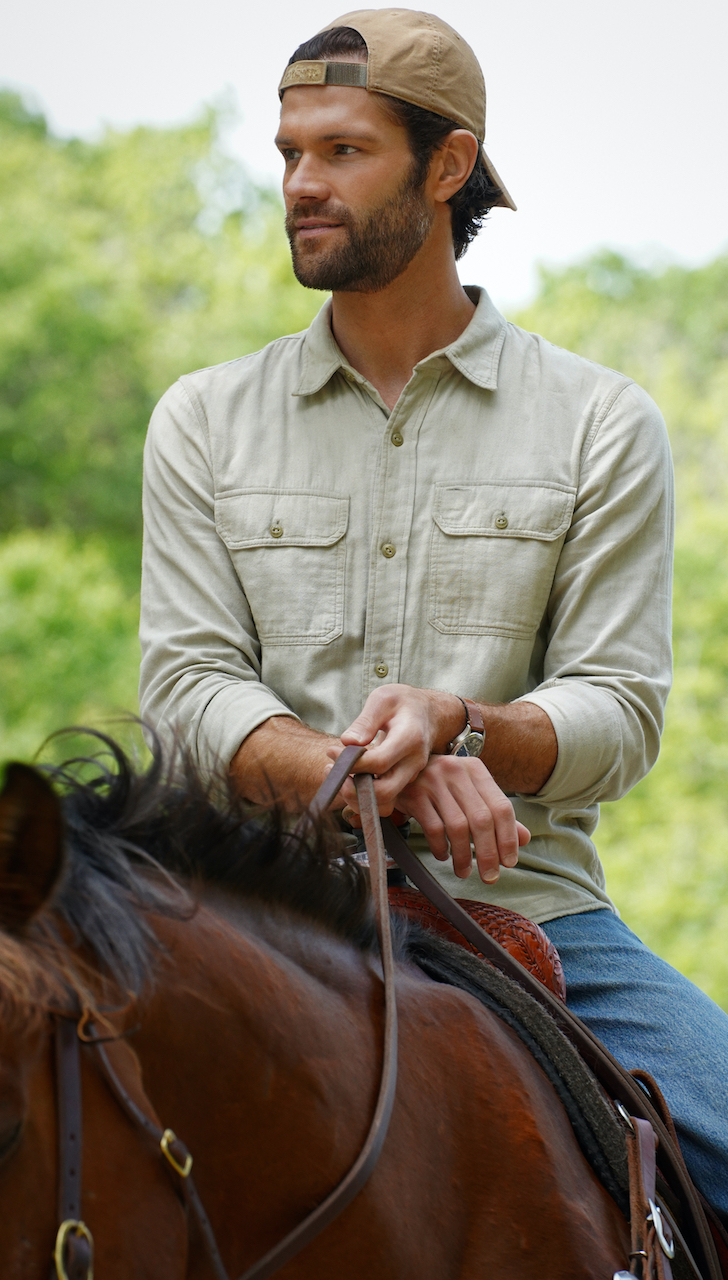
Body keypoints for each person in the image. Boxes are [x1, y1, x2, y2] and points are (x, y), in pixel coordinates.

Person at [139, 9, 728, 1221]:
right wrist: (370, 768)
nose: (302, 183)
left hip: (529, 916)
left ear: (446, 166)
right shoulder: (201, 420)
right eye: (290, 152)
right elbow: (190, 689)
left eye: (343, 151)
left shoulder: (598, 423)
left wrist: (463, 722)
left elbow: (619, 711)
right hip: (256, 908)